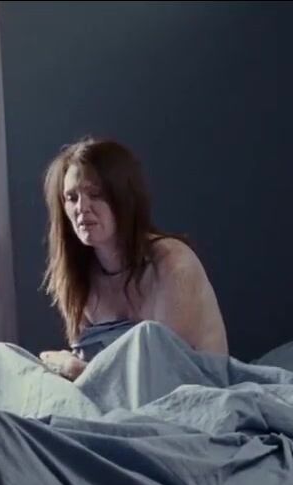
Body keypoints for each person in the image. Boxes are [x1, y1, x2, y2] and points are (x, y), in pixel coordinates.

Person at [37, 137, 229, 380]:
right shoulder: (81, 277)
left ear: (123, 197)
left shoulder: (172, 262)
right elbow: (93, 377)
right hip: (108, 397)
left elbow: (161, 380)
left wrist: (72, 368)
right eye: (71, 198)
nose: (82, 207)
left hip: (185, 395)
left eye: (95, 194)